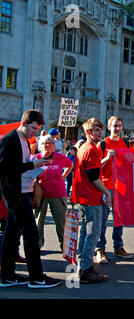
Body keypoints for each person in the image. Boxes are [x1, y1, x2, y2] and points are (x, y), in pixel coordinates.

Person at [0, 109, 61, 288]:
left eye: (38, 129)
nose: (36, 133)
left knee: (12, 236)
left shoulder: (24, 141)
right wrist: (32, 164)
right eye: (34, 128)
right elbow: (4, 168)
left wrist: (35, 167)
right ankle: (36, 277)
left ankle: (7, 276)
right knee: (31, 235)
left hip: (23, 190)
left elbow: (19, 167)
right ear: (24, 122)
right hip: (16, 193)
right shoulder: (10, 140)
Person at [72, 118, 111, 283]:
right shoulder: (92, 150)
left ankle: (82, 264)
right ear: (88, 132)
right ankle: (86, 269)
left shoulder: (83, 148)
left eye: (101, 130)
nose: (99, 133)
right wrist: (107, 193)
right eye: (95, 130)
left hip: (83, 196)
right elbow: (94, 177)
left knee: (85, 233)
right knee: (92, 234)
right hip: (90, 197)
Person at [95, 116, 133, 264]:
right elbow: (96, 165)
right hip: (106, 186)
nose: (117, 128)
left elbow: (131, 162)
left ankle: (118, 247)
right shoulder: (103, 144)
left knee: (119, 219)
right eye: (114, 126)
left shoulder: (126, 143)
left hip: (121, 186)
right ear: (109, 127)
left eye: (119, 126)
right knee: (103, 220)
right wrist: (108, 158)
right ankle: (100, 249)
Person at [34, 135, 73, 250]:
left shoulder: (60, 157)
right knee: (38, 222)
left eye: (50, 143)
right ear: (40, 146)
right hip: (41, 194)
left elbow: (70, 164)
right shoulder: (36, 158)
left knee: (61, 222)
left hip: (58, 193)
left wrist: (64, 175)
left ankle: (64, 245)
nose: (47, 145)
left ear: (54, 146)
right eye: (44, 143)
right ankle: (38, 244)